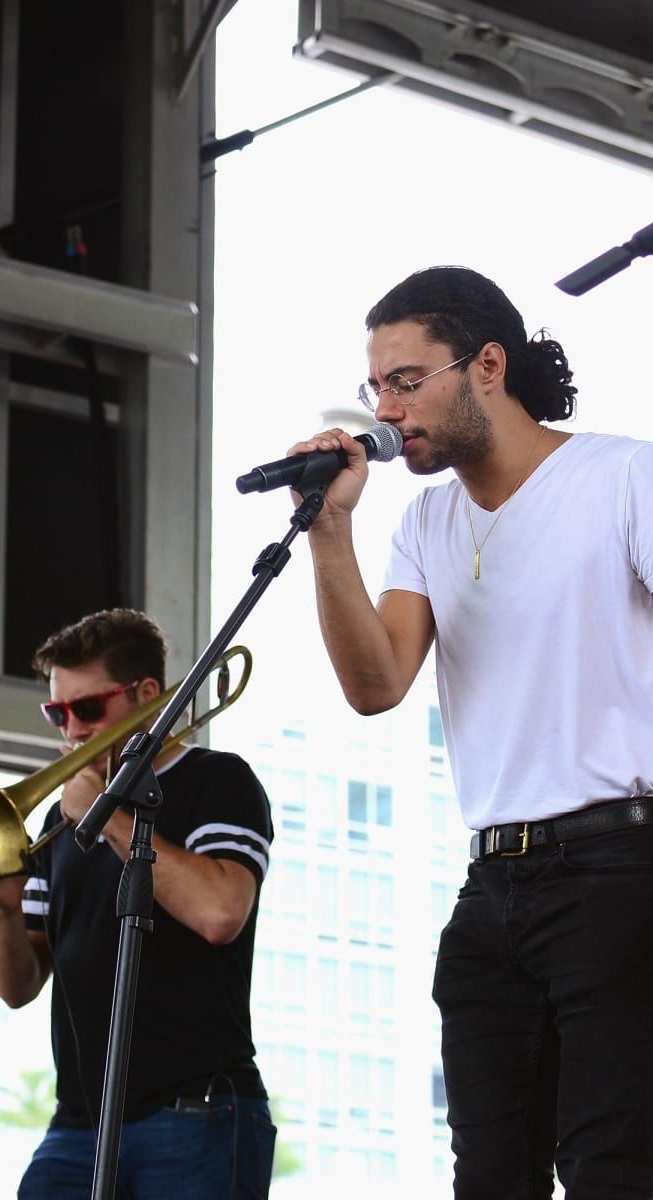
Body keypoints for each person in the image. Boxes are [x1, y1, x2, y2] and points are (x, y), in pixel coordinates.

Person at [293, 265, 653, 1197]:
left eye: (407, 381)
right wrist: (331, 534)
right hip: (493, 885)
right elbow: (375, 686)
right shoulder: (426, 519)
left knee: (613, 1164)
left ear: (487, 364)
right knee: (490, 1176)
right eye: (376, 387)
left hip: (621, 867)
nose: (387, 408)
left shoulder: (623, 476)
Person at [0, 608, 276, 1199]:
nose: (71, 731)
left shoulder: (218, 780)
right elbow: (18, 987)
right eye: (56, 712)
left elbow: (221, 914)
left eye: (87, 709)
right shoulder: (56, 819)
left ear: (146, 694)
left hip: (196, 1110)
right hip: (78, 1124)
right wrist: (5, 910)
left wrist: (110, 816)